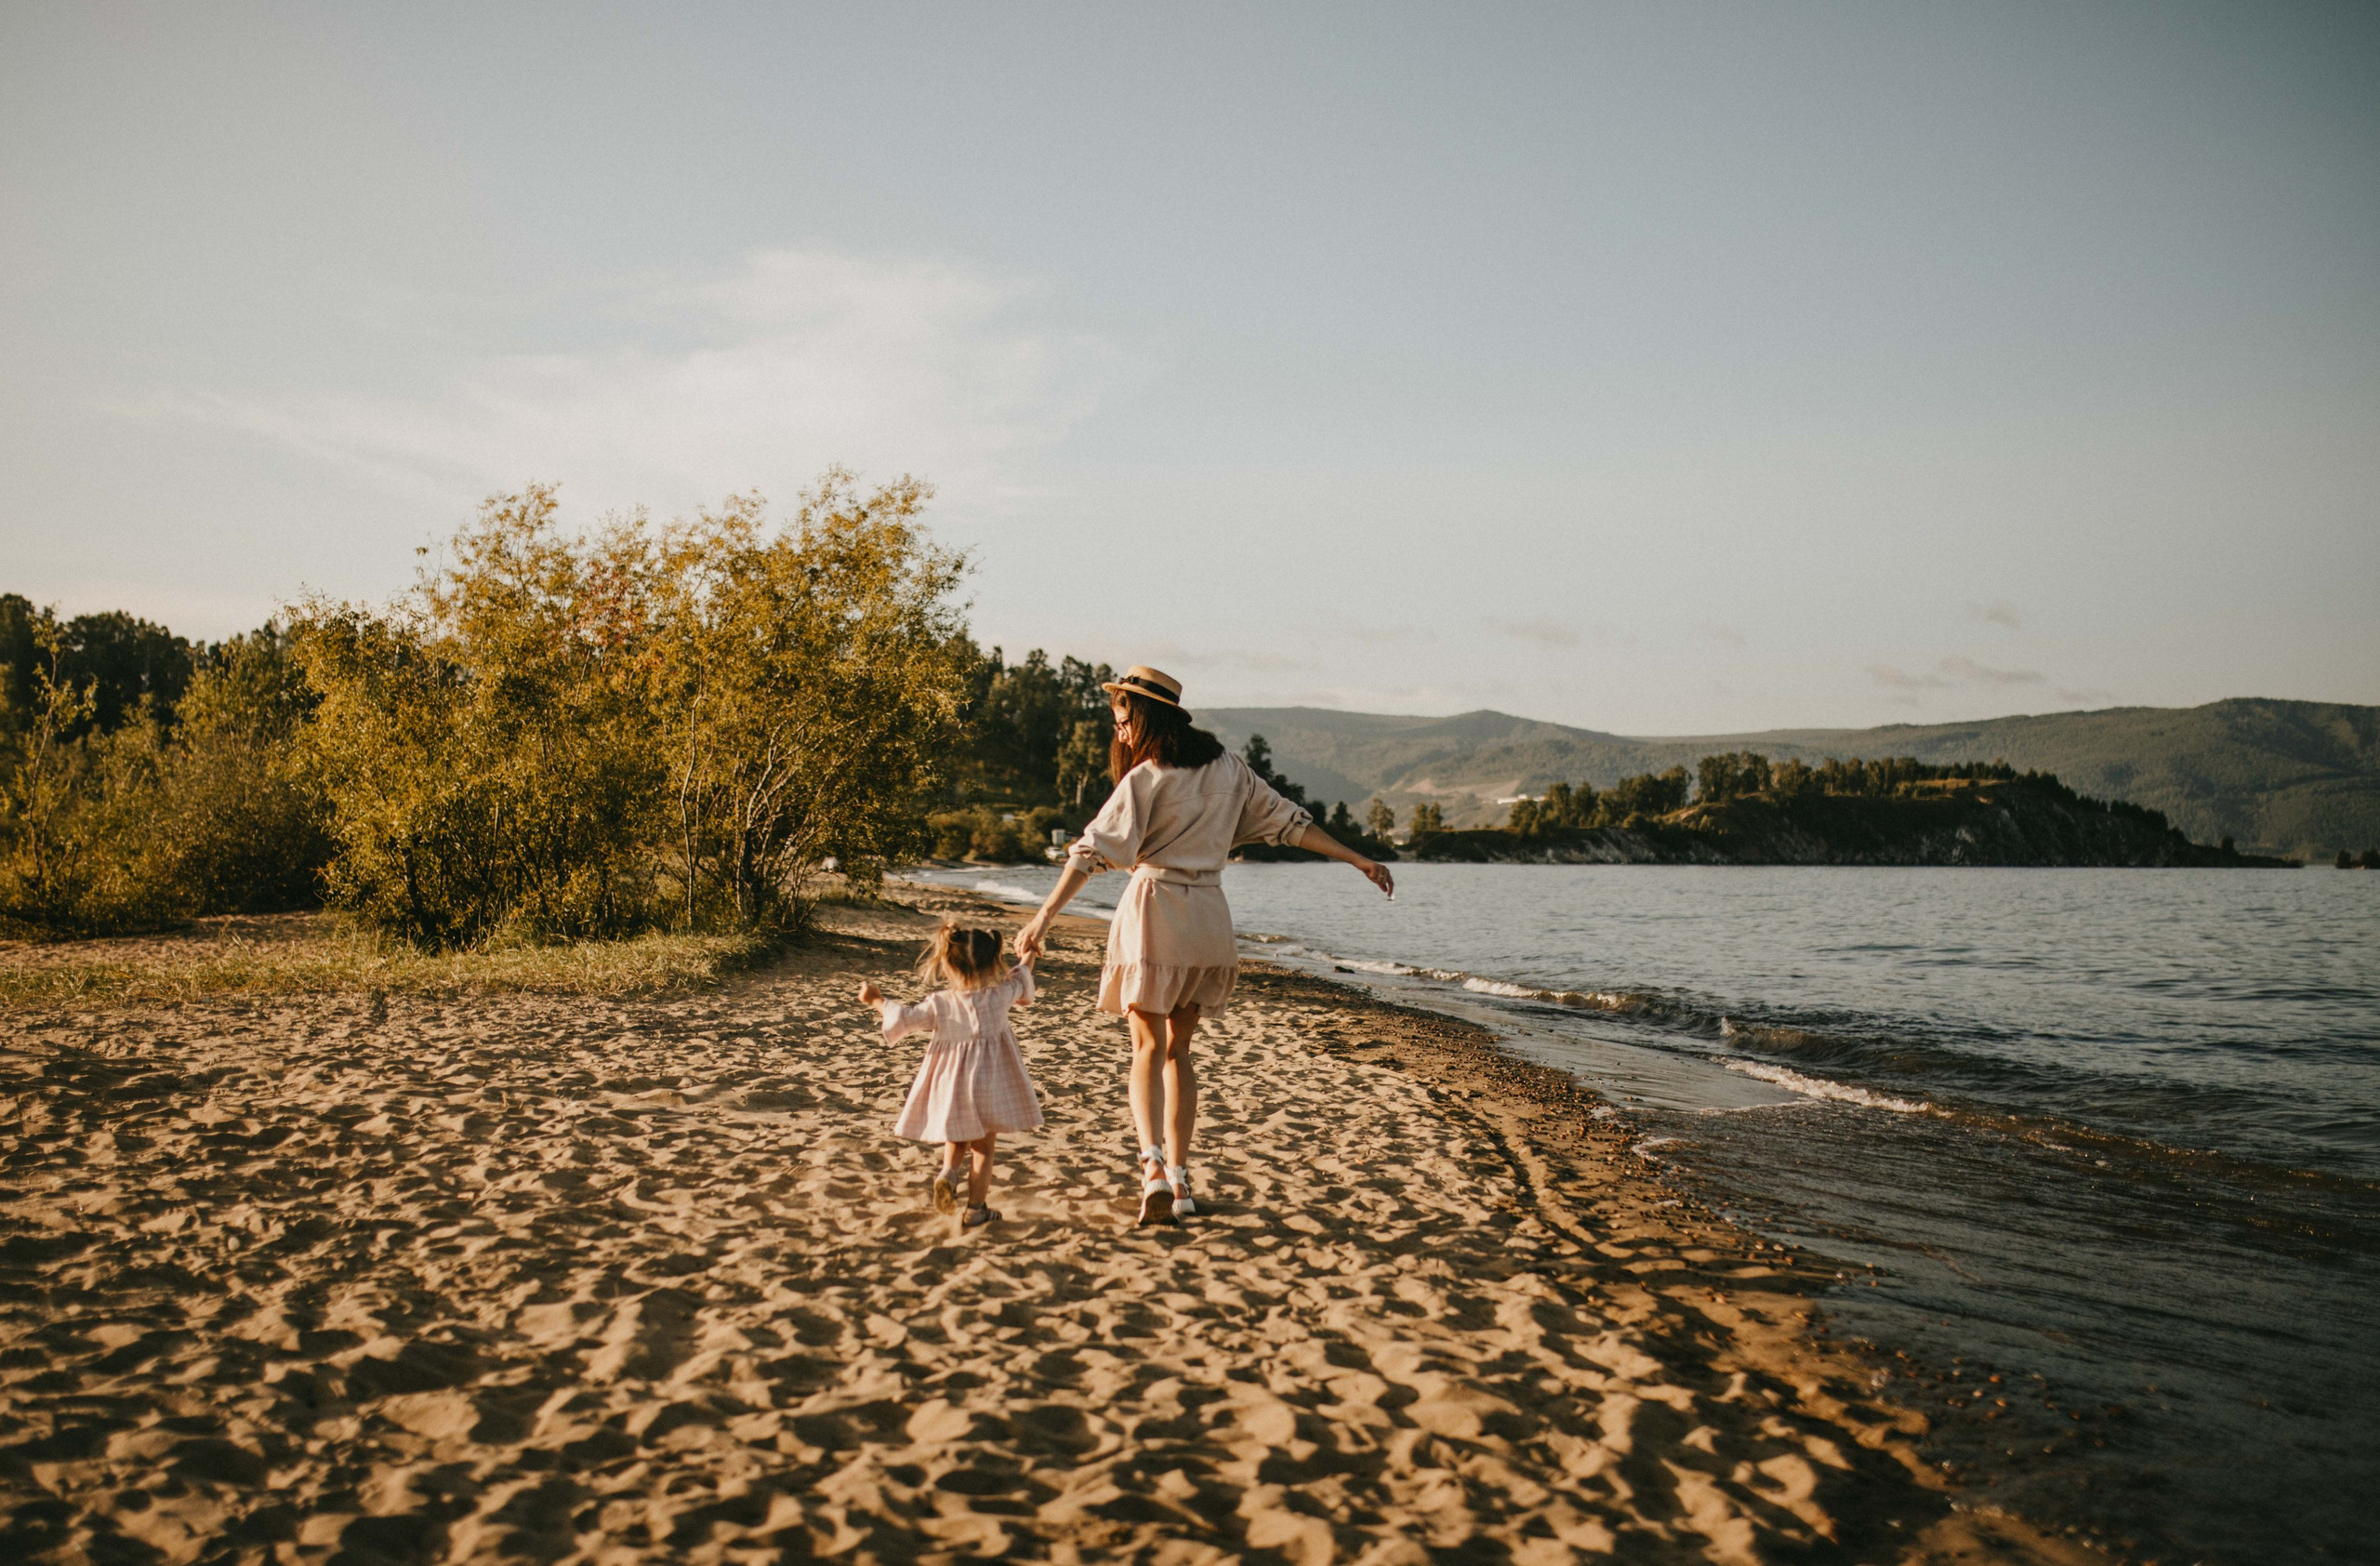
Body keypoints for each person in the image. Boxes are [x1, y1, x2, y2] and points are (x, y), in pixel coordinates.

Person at [1012, 666, 1394, 1227]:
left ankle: (1153, 1170)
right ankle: (1184, 1179)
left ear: (1143, 715)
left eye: (1122, 719)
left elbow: (1091, 853)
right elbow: (1289, 824)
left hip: (1154, 909)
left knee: (1146, 1049)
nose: (1118, 731)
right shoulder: (1230, 769)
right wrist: (1355, 857)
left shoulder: (1146, 776)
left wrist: (1042, 919)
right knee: (1179, 1053)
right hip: (1209, 919)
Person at [861, 922, 1042, 1232]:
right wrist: (1028, 954)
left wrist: (875, 1000)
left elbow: (903, 1018)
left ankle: (948, 1172)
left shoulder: (940, 1003)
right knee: (984, 1148)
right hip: (991, 1084)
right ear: (994, 963)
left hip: (952, 1084)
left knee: (957, 1136)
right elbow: (1022, 979)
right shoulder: (999, 995)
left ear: (947, 964)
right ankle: (976, 1209)